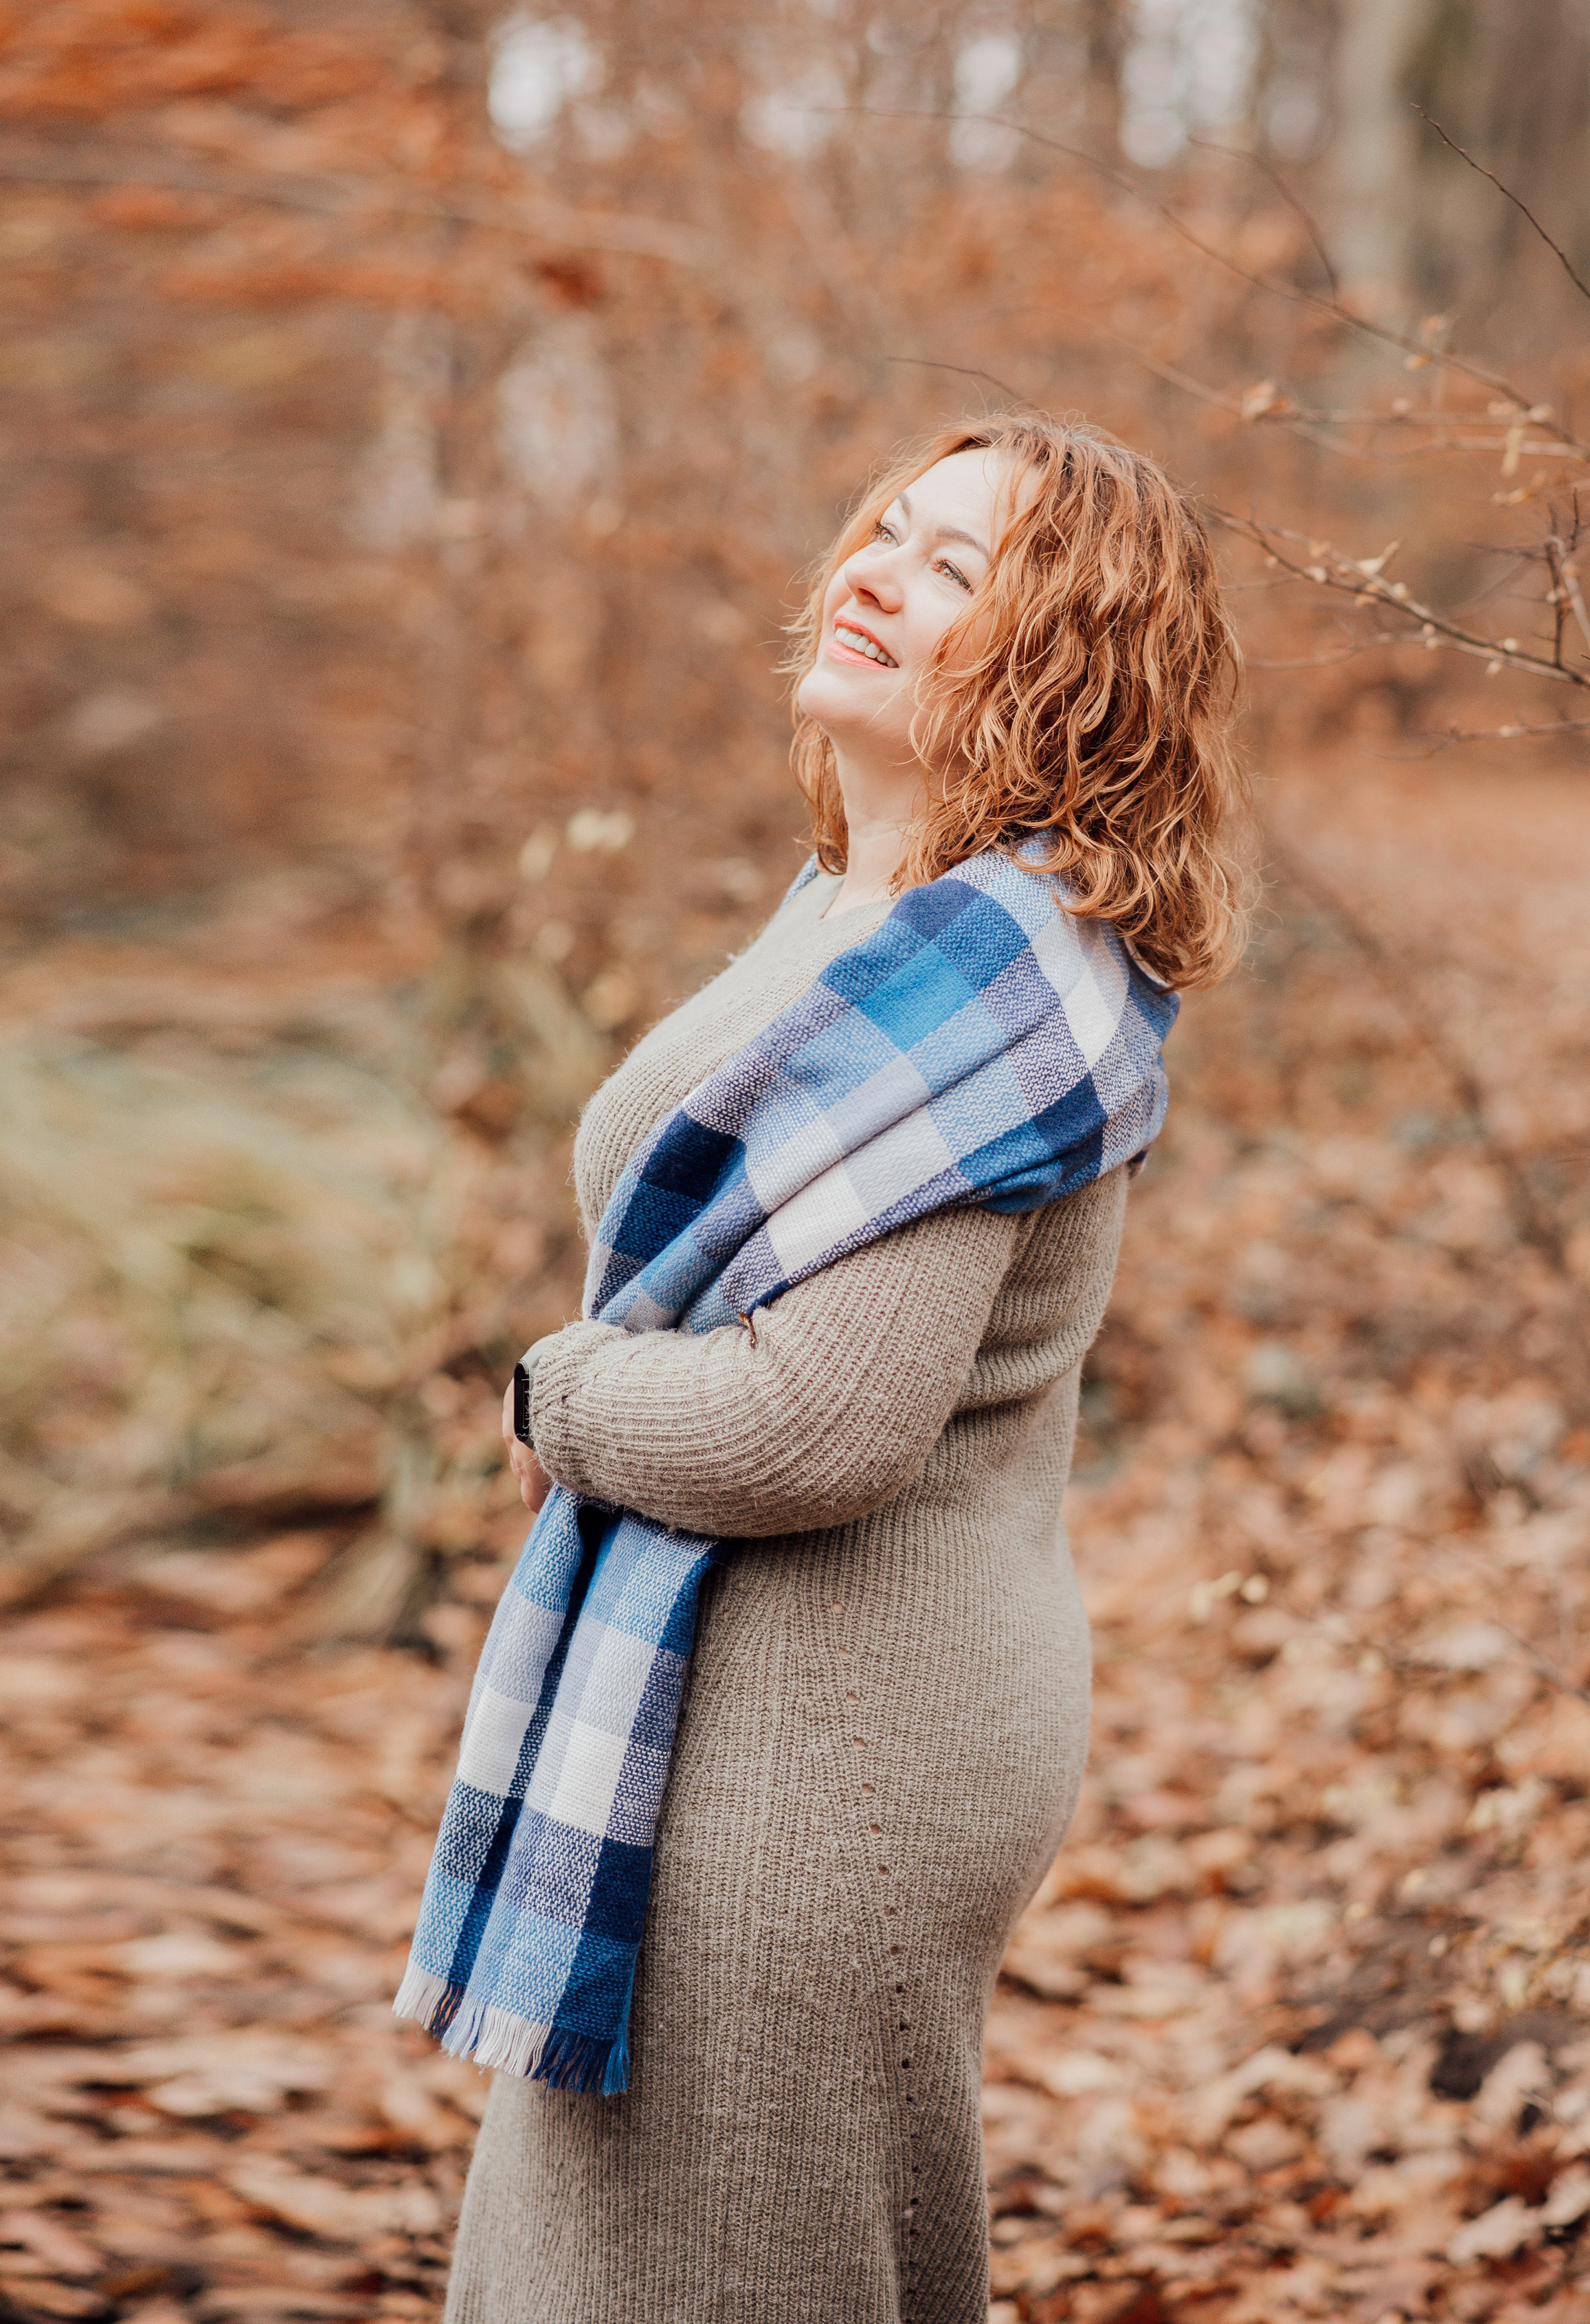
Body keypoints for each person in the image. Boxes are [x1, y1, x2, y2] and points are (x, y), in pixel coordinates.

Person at [436, 413, 1250, 2323]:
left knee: (719, 2264)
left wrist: (559, 1398)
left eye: (956, 566)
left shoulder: (986, 972)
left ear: (1071, 663)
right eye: (885, 529)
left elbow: (816, 1421)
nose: (871, 568)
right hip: (764, 1687)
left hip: (832, 1739)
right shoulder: (860, 906)